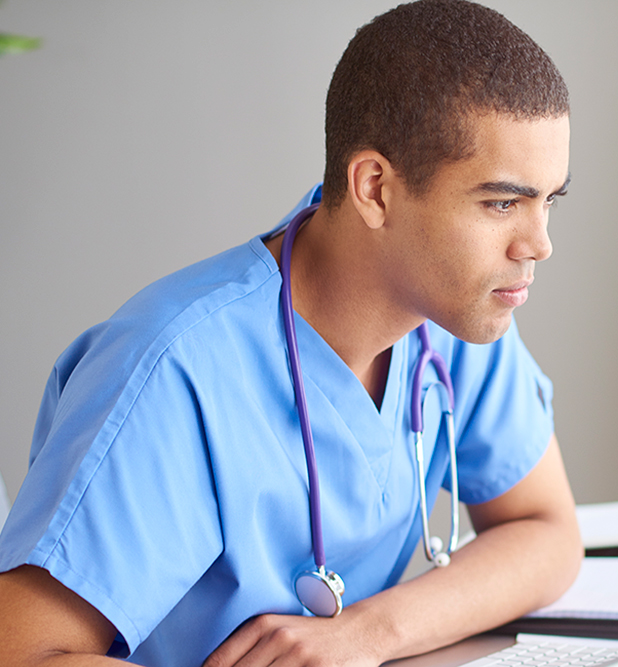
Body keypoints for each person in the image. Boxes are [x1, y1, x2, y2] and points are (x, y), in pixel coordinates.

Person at [0, 1, 582, 665]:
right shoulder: (174, 371)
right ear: (375, 189)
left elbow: (547, 530)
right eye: (501, 202)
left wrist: (369, 631)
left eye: (549, 200)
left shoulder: (455, 314)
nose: (538, 244)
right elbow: (21, 651)